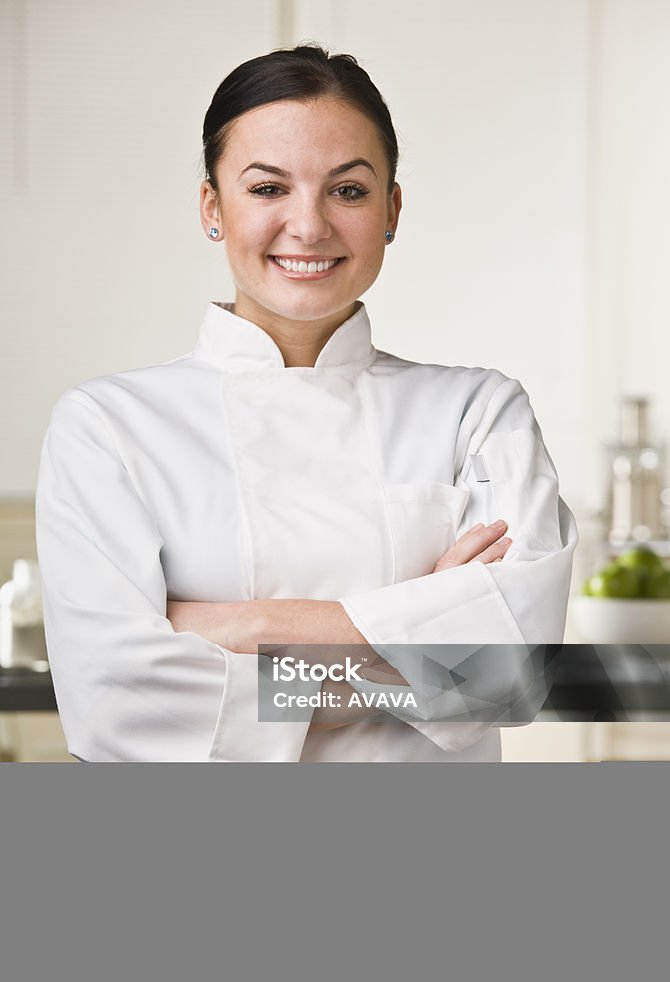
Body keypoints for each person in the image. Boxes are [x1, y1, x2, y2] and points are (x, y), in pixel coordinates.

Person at [35, 44, 577, 762]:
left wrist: (230, 630)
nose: (310, 225)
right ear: (212, 207)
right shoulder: (108, 425)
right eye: (267, 189)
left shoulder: (478, 410)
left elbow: (508, 672)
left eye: (347, 190)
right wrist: (412, 643)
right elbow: (114, 701)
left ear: (392, 209)